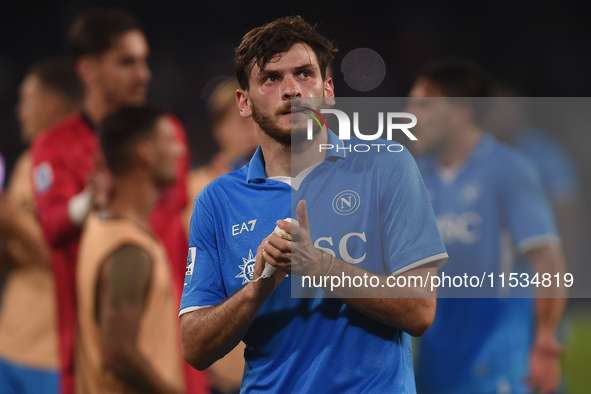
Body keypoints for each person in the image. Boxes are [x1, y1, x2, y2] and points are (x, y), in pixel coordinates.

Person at [180, 16, 447, 393]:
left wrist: (317, 265)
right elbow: (194, 346)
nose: (292, 90)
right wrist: (257, 288)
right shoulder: (216, 200)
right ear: (244, 101)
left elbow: (420, 309)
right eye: (271, 78)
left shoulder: (386, 165)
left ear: (328, 89)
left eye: (304, 74)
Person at [29, 8, 206, 394]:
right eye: (126, 62)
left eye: (144, 60)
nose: (143, 74)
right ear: (88, 69)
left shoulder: (167, 131)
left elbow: (175, 217)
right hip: (102, 339)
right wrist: (87, 201)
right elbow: (53, 226)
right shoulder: (56, 146)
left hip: (170, 333)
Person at [407, 60, 566, 394]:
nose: (410, 116)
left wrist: (545, 339)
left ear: (460, 113)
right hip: (436, 367)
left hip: (500, 365)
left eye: (424, 105)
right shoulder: (416, 176)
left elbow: (548, 261)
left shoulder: (508, 169)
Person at [76, 106, 185, 394]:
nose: (179, 150)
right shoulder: (130, 251)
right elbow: (117, 354)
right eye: (170, 141)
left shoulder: (98, 224)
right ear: (145, 154)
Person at [0, 58, 83, 394]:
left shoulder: (78, 163)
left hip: (51, 354)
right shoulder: (25, 161)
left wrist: (9, 221)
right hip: (9, 341)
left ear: (51, 104)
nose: (20, 110)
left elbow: (71, 262)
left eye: (27, 100)